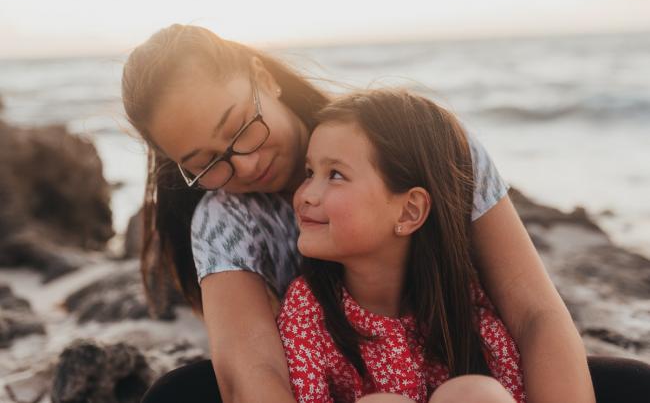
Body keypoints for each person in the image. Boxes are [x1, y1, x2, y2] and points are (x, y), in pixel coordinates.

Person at [121, 24, 648, 403]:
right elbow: (254, 373)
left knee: (632, 385)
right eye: (207, 162)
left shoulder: (421, 144)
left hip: (465, 375)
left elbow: (534, 310)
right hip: (331, 390)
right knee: (179, 393)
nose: (247, 161)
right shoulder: (224, 221)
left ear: (263, 75)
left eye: (240, 127)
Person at [279, 88, 524, 403]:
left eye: (336, 175)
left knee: (474, 393)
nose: (307, 194)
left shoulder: (465, 307)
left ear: (409, 211)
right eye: (310, 173)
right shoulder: (308, 309)